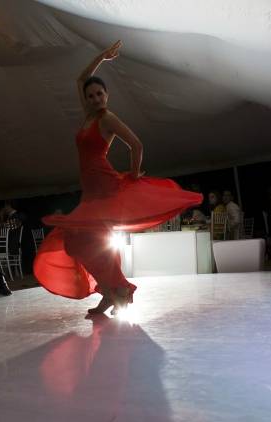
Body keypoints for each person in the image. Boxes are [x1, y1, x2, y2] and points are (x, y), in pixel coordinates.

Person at [33, 40, 202, 314]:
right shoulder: (88, 117)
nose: (96, 99)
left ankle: (117, 291)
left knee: (97, 244)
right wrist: (103, 57)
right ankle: (110, 291)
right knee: (76, 242)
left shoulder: (106, 118)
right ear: (86, 99)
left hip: (105, 188)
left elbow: (137, 145)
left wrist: (134, 175)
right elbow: (81, 78)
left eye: (100, 94)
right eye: (91, 96)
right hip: (90, 193)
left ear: (107, 96)